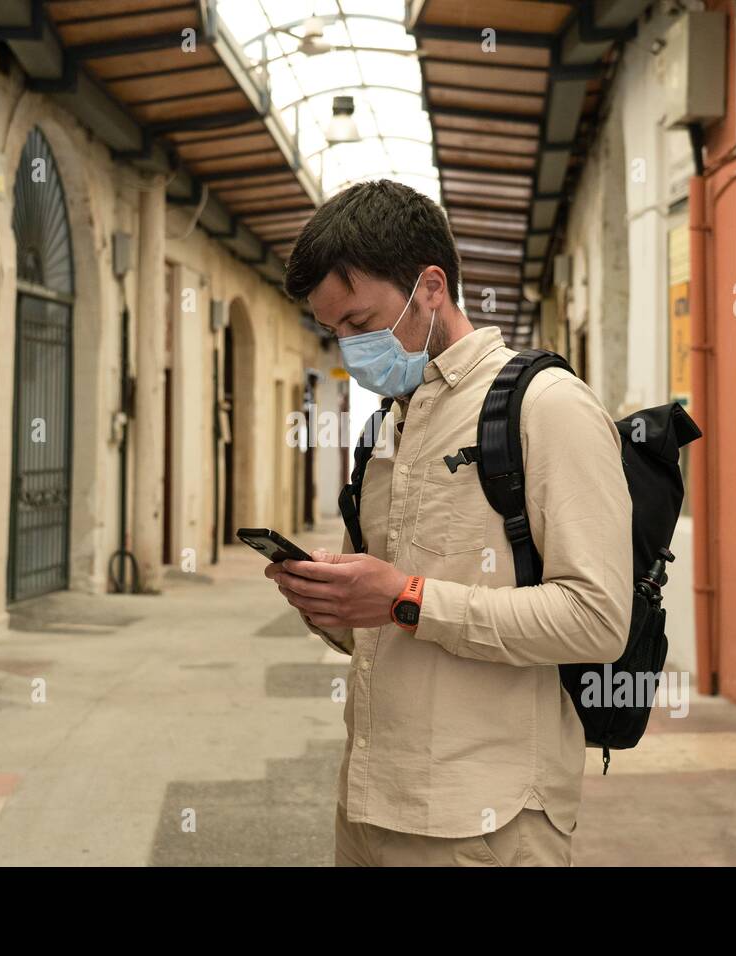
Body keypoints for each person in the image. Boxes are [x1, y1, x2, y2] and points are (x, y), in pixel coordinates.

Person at [270, 179, 632, 866]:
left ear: (431, 287)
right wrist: (326, 600)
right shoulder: (388, 425)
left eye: (359, 322)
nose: (348, 349)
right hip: (370, 808)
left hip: (486, 821)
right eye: (332, 330)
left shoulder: (547, 406)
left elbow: (597, 619)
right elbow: (378, 630)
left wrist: (407, 598)